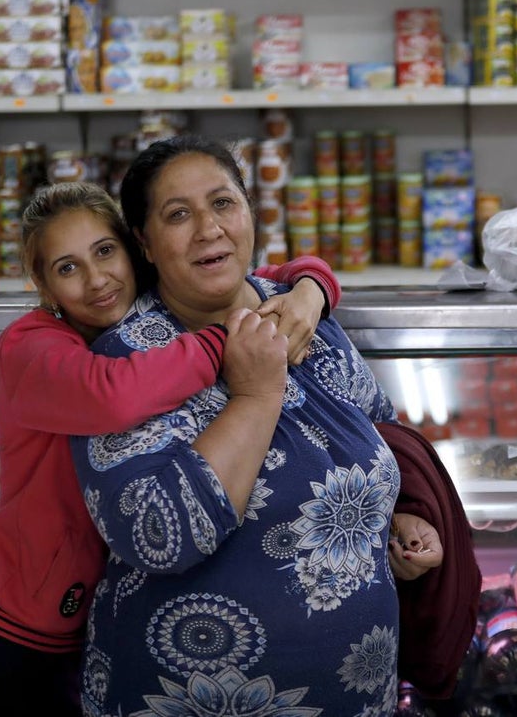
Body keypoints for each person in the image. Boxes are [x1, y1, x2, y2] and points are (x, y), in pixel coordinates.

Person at [0, 181, 342, 717]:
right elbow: (113, 394)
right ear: (43, 284)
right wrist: (229, 334)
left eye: (104, 252)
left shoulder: (139, 318)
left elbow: (272, 275)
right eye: (67, 268)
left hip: (81, 647)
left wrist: (312, 288)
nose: (96, 280)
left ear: (133, 250)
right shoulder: (30, 347)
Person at [69, 134, 446, 716]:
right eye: (177, 215)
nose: (208, 229)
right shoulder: (125, 360)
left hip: (354, 695)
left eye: (223, 203)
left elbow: (382, 430)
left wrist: (403, 515)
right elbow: (160, 538)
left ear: (250, 212)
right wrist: (256, 394)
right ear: (143, 242)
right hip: (183, 697)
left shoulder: (300, 315)